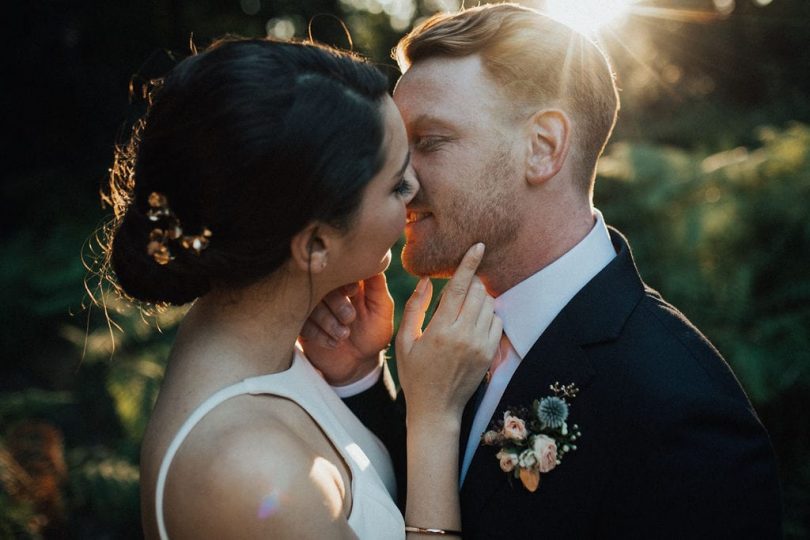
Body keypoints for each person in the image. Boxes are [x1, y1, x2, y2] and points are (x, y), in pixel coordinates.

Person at [301, 4, 783, 538]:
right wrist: (360, 377)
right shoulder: (467, 337)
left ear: (543, 148)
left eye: (430, 142)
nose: (400, 180)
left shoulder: (681, 414)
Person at [102, 37, 502, 539]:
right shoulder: (247, 472)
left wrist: (355, 374)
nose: (417, 192)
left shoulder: (249, 340)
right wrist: (434, 417)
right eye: (397, 185)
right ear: (314, 244)